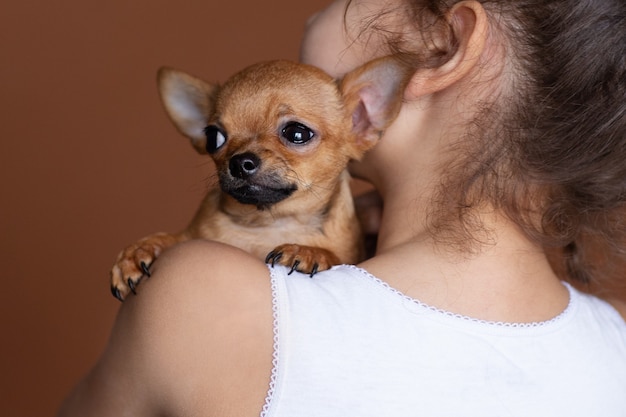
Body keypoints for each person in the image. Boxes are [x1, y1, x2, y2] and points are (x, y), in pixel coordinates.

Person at [58, 0, 626, 415]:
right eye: (219, 139)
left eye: (295, 133)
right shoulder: (614, 345)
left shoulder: (209, 300)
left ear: (441, 46)